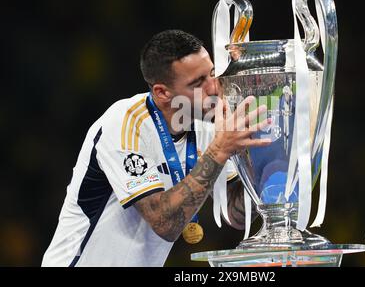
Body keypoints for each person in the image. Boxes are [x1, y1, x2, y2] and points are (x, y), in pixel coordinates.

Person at [42, 30, 270, 267]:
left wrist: (258, 157)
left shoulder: (205, 128)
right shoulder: (124, 125)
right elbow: (165, 223)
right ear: (162, 93)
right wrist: (220, 150)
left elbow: (235, 213)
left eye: (212, 73)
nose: (214, 88)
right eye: (197, 83)